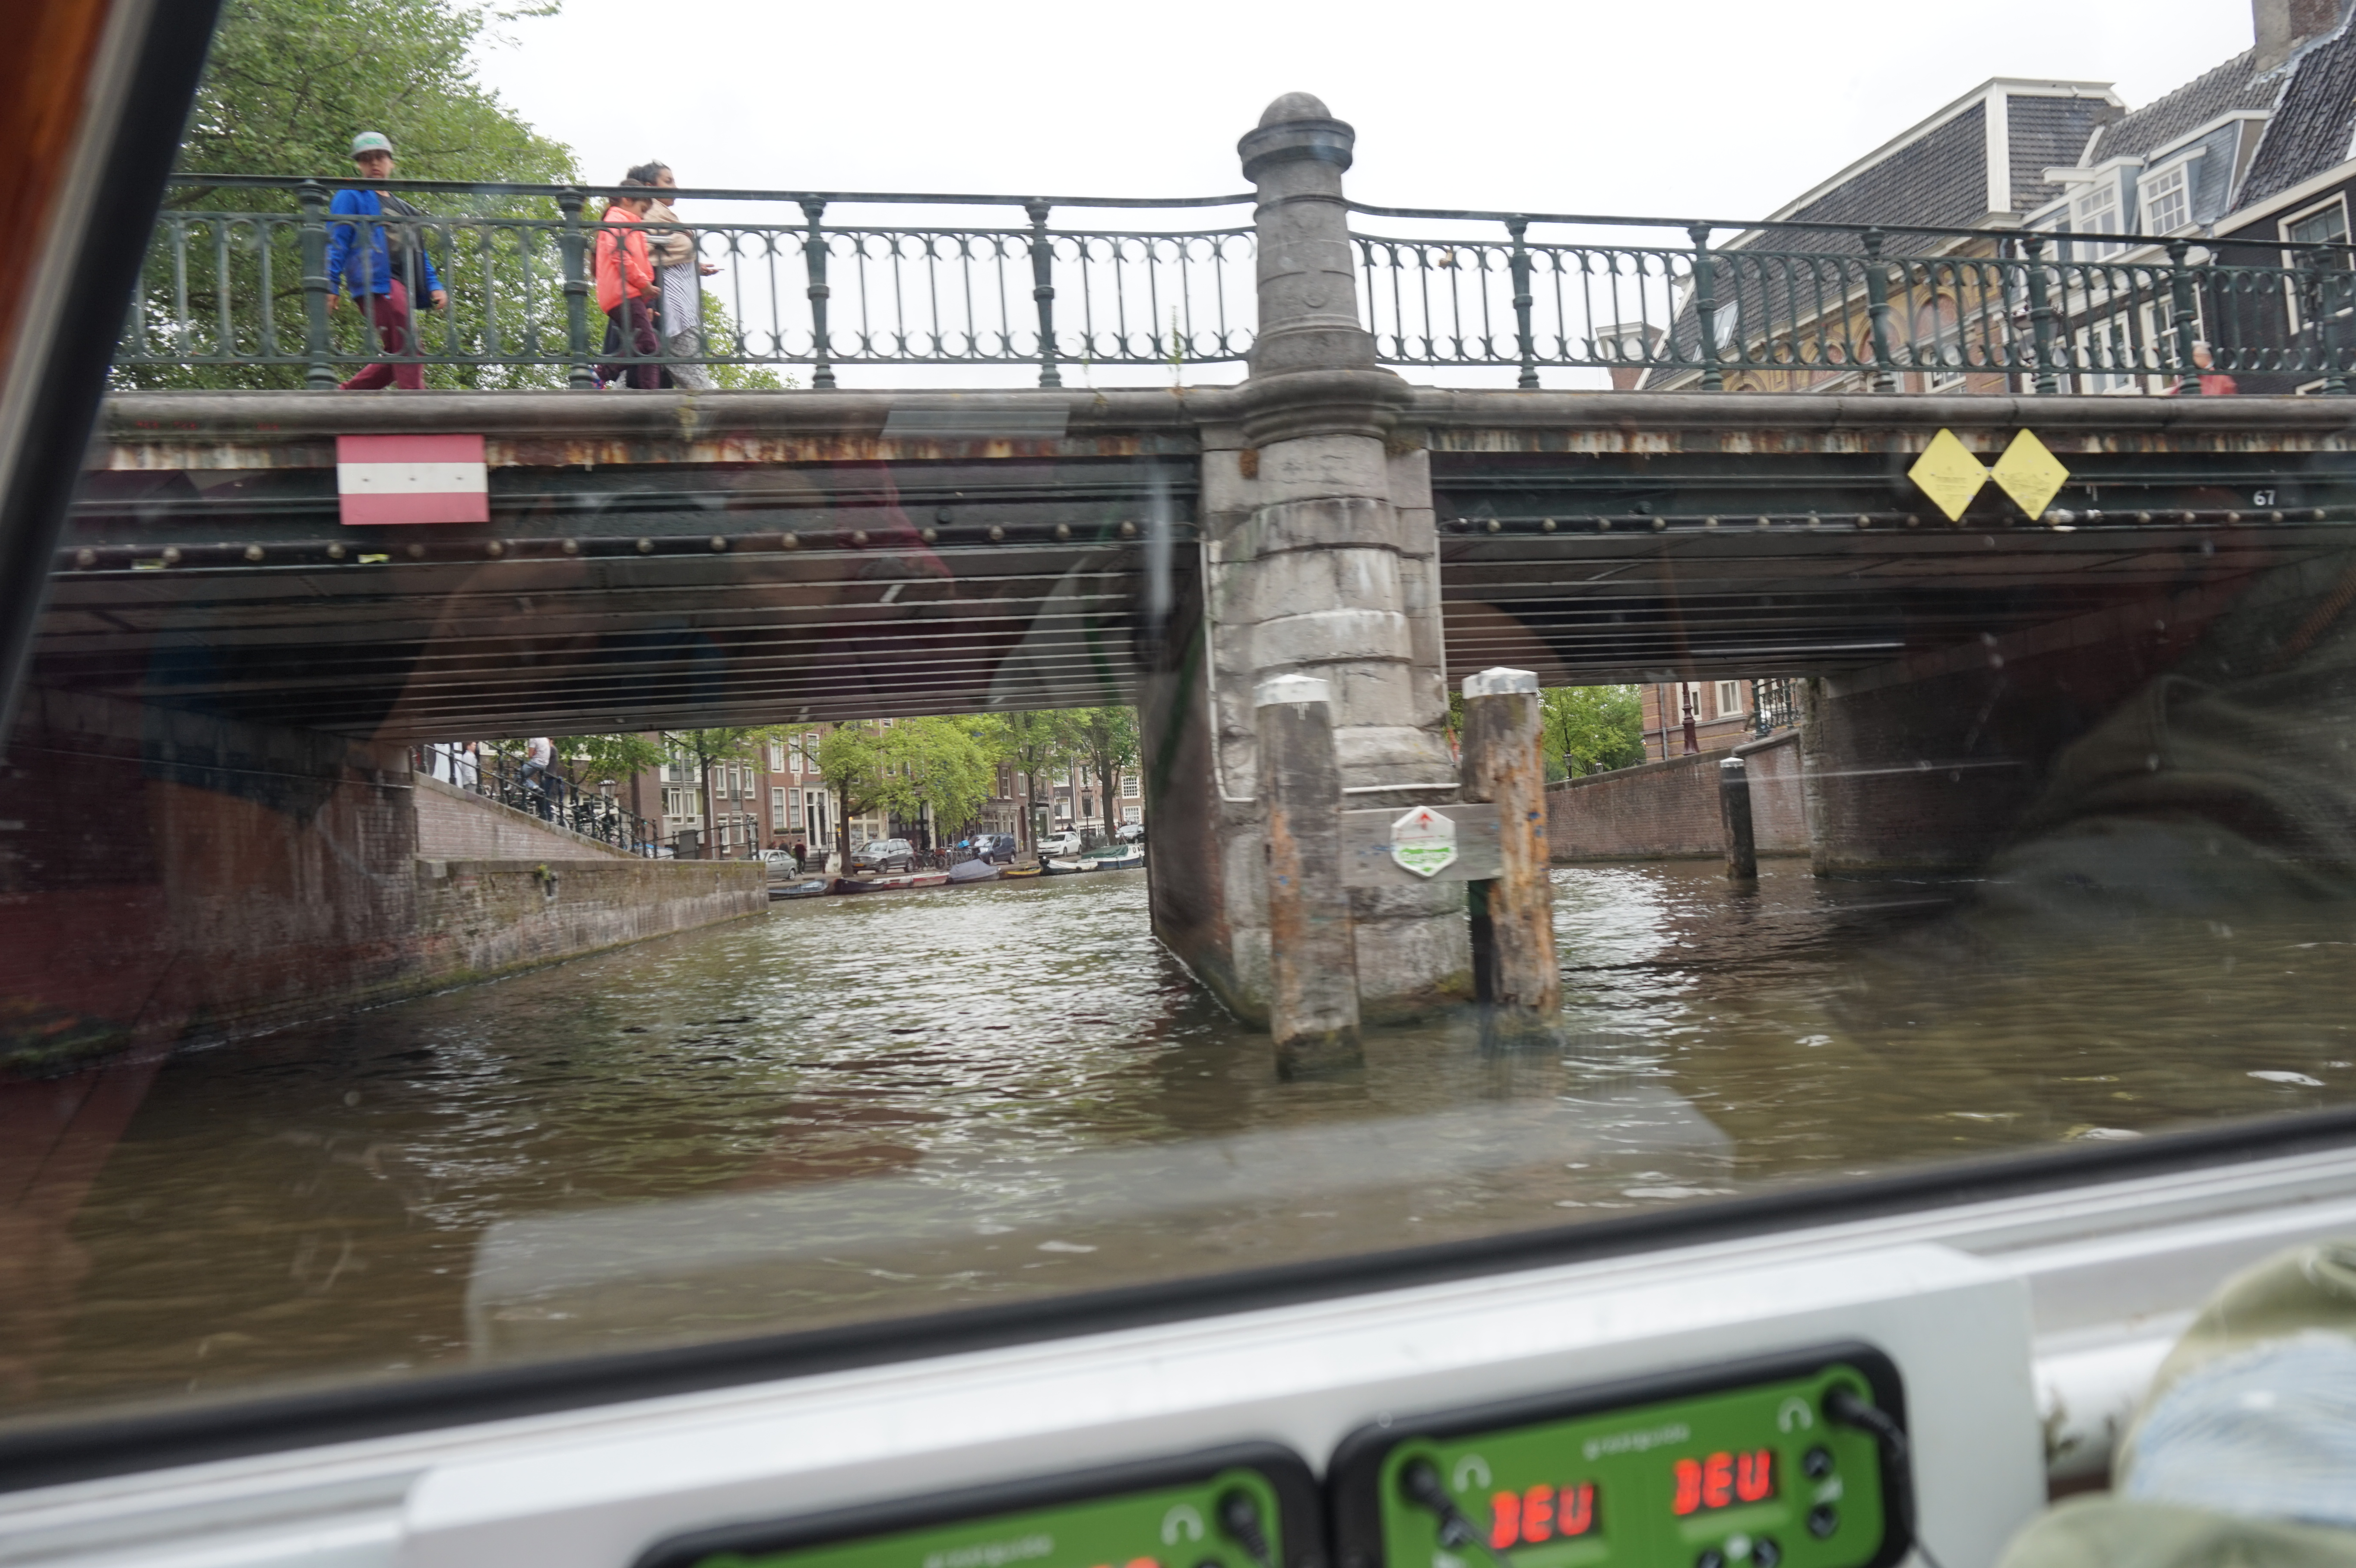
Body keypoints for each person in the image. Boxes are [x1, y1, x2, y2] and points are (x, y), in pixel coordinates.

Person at [326, 133, 446, 391]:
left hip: (403, 284)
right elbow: (337, 240)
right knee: (409, 344)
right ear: (359, 165)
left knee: (401, 350)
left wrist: (435, 285)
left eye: (380, 157)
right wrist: (331, 283)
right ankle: (415, 405)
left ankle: (345, 396)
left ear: (391, 162)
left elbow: (419, 253)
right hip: (376, 282)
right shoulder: (352, 196)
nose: (374, 163)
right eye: (366, 159)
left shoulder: (405, 208)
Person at [643, 164, 722, 391]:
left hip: (676, 306)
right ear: (650, 187)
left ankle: (599, 399)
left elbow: (664, 252)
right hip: (675, 309)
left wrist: (694, 266)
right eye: (668, 181)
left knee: (641, 373)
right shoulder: (651, 214)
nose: (675, 188)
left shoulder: (663, 215)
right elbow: (644, 252)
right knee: (700, 385)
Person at [594, 173, 662, 389]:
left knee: (649, 345)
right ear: (627, 199)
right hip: (622, 294)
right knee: (648, 344)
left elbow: (639, 261)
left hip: (629, 294)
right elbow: (620, 257)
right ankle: (600, 373)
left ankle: (648, 394)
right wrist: (644, 285)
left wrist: (646, 299)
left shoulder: (629, 223)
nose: (642, 216)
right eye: (642, 209)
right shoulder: (616, 220)